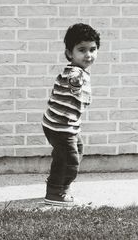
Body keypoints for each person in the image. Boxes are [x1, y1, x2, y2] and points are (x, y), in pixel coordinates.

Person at [42, 23, 100, 206]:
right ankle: (55, 192)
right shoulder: (75, 73)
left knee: (76, 150)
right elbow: (73, 82)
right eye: (81, 50)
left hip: (61, 124)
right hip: (60, 127)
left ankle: (60, 184)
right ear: (69, 53)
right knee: (68, 159)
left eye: (92, 49)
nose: (88, 55)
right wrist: (76, 82)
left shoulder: (80, 71)